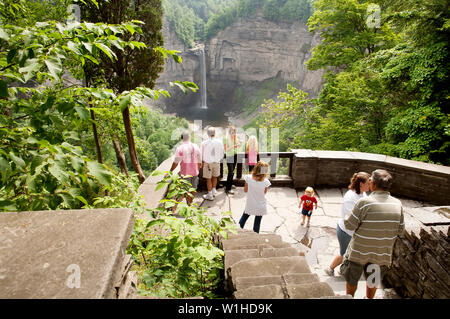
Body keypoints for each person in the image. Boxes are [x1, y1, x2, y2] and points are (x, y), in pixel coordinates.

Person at [340, 169, 405, 299]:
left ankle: (350, 297)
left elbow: (349, 225)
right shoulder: (398, 204)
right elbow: (400, 230)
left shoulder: (364, 203)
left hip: (358, 252)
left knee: (352, 279)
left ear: (373, 184)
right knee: (373, 280)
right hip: (381, 253)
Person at [324, 172, 371, 276]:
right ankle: (330, 268)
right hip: (346, 232)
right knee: (345, 253)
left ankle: (342, 269)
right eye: (368, 182)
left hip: (352, 232)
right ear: (361, 184)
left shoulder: (362, 193)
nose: (371, 184)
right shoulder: (350, 198)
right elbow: (350, 220)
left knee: (349, 254)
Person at [170, 130, 202, 205]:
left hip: (185, 173)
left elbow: (176, 162)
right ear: (189, 137)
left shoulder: (180, 148)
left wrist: (170, 171)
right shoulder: (196, 146)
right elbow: (199, 160)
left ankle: (188, 205)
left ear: (182, 138)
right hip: (195, 172)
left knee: (186, 190)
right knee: (193, 189)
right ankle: (190, 203)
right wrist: (198, 168)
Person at [238, 161, 271, 233]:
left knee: (243, 219)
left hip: (250, 203)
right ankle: (256, 236)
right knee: (257, 223)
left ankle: (238, 232)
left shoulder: (248, 178)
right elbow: (264, 193)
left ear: (256, 168)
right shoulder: (266, 181)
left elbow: (245, 190)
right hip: (261, 205)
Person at [200, 126, 224, 201]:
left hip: (208, 163)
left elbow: (201, 154)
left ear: (207, 134)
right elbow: (222, 152)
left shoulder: (204, 143)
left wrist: (202, 161)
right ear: (215, 133)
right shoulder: (219, 142)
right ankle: (214, 190)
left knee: (208, 179)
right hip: (217, 162)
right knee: (215, 176)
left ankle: (210, 195)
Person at [223, 125, 241, 194]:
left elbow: (237, 146)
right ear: (229, 132)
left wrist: (239, 144)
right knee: (230, 172)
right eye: (232, 132)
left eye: (234, 132)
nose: (233, 133)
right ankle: (228, 189)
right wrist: (233, 146)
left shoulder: (235, 138)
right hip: (229, 156)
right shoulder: (225, 138)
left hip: (235, 155)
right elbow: (226, 149)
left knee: (232, 171)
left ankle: (229, 184)